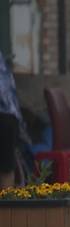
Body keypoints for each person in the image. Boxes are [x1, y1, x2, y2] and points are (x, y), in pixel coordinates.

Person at [0, 52, 32, 188]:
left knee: (6, 169)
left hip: (6, 117)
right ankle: (8, 204)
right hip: (9, 116)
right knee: (6, 170)